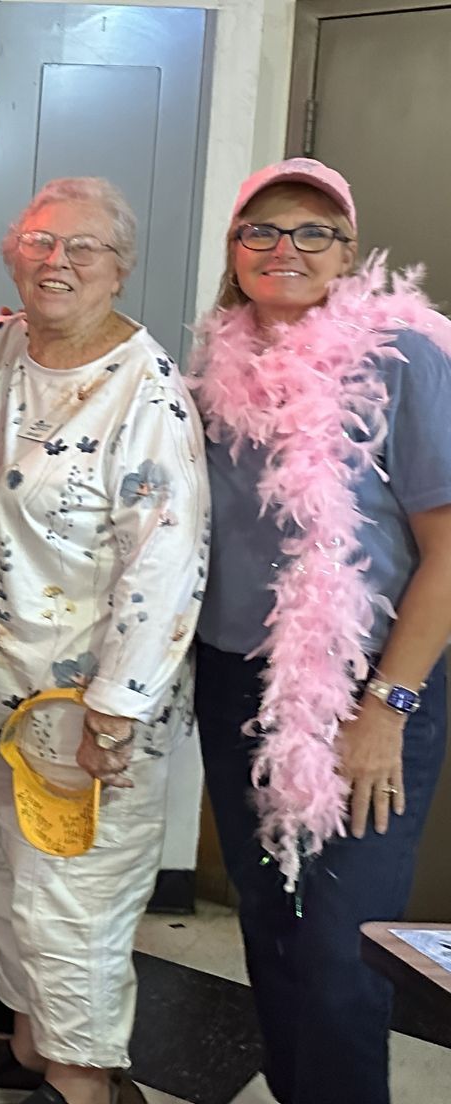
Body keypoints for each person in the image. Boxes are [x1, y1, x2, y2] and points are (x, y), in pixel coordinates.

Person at [0, 178, 209, 1104]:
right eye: (42, 242)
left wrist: (114, 712)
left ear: (120, 267)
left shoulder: (148, 388)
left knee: (77, 909)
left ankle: (82, 1082)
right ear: (14, 254)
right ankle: (28, 1051)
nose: (59, 261)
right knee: (7, 887)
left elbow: (167, 564)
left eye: (83, 248)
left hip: (87, 715)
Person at [189, 158, 451, 1104]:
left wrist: (389, 705)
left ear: (349, 250)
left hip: (369, 685)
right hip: (237, 683)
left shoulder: (402, 359)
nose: (284, 249)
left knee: (344, 953)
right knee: (273, 931)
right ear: (234, 249)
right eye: (261, 230)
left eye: (312, 233)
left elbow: (448, 549)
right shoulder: (216, 367)